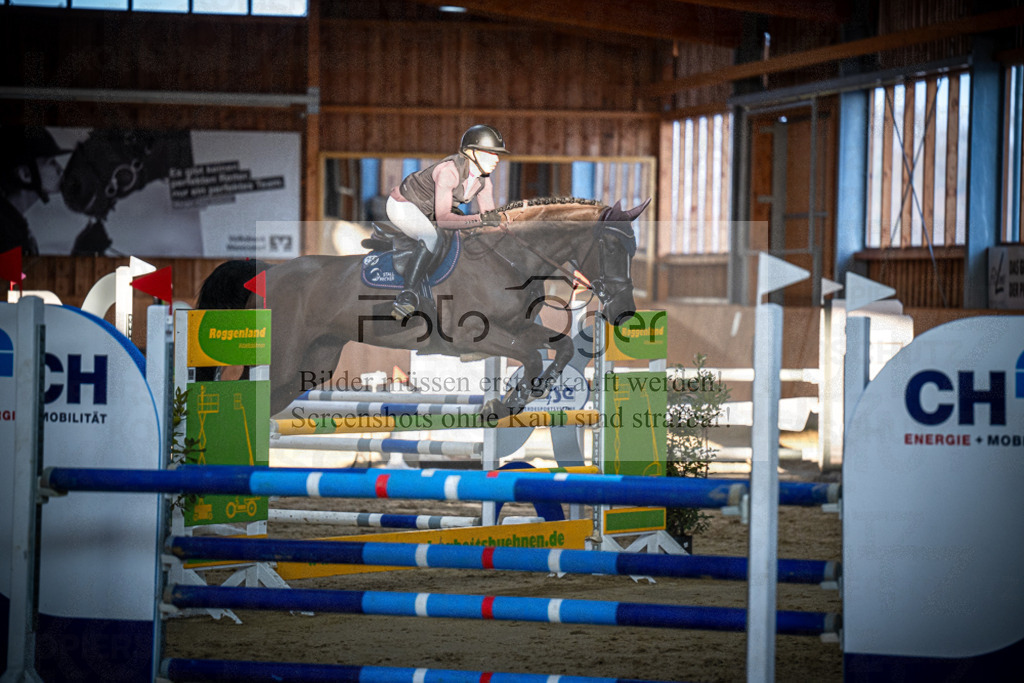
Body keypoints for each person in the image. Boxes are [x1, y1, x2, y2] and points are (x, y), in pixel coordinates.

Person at [386, 124, 509, 318]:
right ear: (470, 153)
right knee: (431, 237)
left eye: (498, 154)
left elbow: (489, 221)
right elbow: (443, 220)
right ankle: (407, 295)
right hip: (404, 205)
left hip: (431, 210)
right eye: (490, 153)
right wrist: (480, 220)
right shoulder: (448, 171)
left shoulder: (485, 181)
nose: (496, 159)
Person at [0, 126, 70, 256]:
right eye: (51, 162)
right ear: (25, 174)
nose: (60, 170)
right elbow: (12, 276)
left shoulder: (13, 224)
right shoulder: (6, 231)